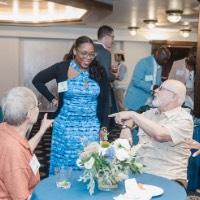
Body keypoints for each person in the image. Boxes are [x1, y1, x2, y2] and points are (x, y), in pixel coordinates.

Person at [32, 36, 109, 174]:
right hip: (65, 127)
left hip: (91, 127)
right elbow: (37, 80)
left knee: (88, 166)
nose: (88, 57)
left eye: (91, 54)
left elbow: (105, 102)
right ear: (75, 51)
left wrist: (104, 127)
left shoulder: (99, 71)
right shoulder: (62, 68)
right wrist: (52, 99)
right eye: (83, 53)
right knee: (64, 168)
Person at [110, 80, 193, 188]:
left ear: (173, 97)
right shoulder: (152, 113)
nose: (155, 91)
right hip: (141, 174)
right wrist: (126, 128)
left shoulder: (184, 119)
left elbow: (160, 135)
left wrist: (133, 114)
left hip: (169, 179)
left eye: (161, 89)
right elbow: (132, 119)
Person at [0, 87, 53, 200]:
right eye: (37, 105)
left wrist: (42, 130)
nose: (38, 108)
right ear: (29, 114)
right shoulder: (14, 155)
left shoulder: (4, 128)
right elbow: (22, 198)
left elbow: (24, 148)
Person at [124, 47, 171, 111]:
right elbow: (136, 80)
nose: (165, 61)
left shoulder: (160, 66)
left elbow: (157, 82)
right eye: (163, 58)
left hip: (149, 102)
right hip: (136, 101)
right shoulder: (144, 62)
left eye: (166, 59)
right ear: (157, 54)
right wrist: (152, 87)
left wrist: (164, 86)